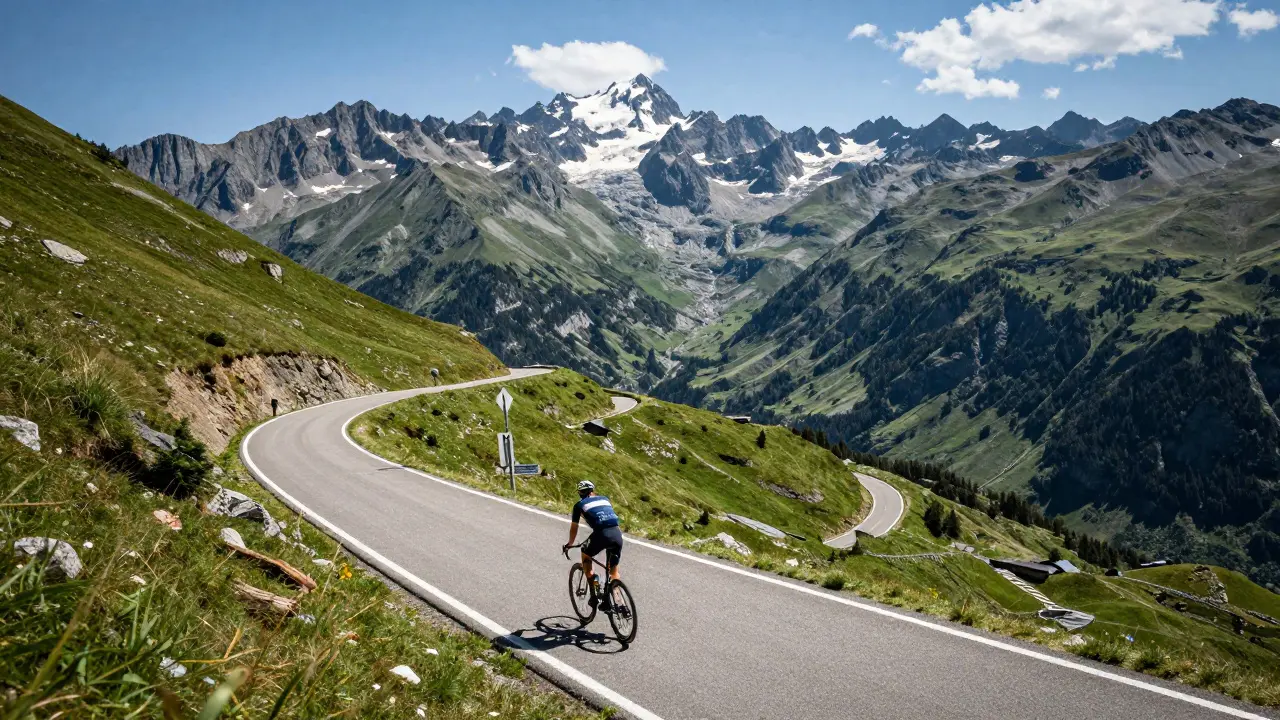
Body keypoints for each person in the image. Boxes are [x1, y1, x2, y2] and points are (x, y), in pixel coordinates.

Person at [563, 480, 623, 610]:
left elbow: (574, 527)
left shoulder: (579, 505)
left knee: (585, 554)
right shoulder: (605, 499)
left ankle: (594, 595)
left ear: (580, 493)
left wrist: (570, 544)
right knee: (613, 571)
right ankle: (619, 603)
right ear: (592, 490)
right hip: (617, 534)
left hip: (602, 534)